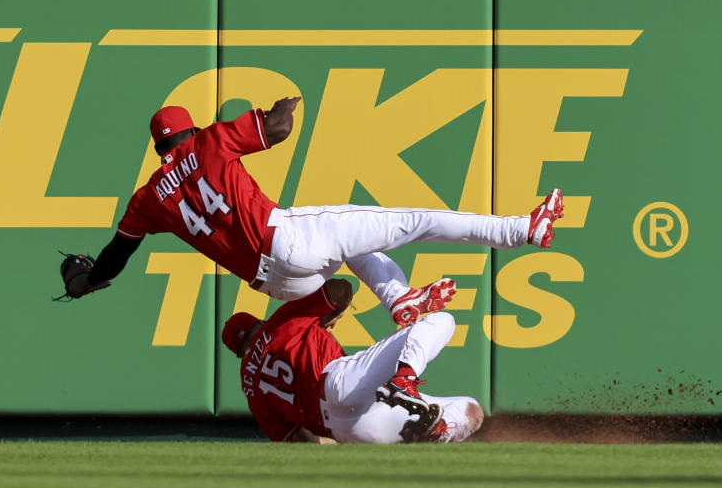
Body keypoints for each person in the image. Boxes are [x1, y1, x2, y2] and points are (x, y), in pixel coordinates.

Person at [68, 98, 564, 326]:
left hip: (276, 284)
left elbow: (116, 256)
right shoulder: (210, 141)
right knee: (412, 221)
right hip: (287, 241)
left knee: (356, 244)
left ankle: (399, 300)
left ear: (159, 147)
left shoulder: (148, 197)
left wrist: (89, 281)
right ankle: (522, 229)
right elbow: (278, 129)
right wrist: (283, 105)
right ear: (188, 131)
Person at [222, 278, 484, 444]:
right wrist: (330, 314)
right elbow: (341, 288)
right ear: (260, 323)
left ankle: (437, 431)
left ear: (238, 354)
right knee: (441, 321)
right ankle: (406, 379)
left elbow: (295, 440)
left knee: (470, 410)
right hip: (339, 382)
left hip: (348, 429)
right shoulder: (279, 324)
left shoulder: (250, 388)